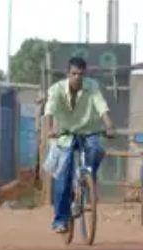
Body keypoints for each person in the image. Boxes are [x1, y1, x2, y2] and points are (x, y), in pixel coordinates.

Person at [44, 56, 115, 234]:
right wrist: (51, 129)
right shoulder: (56, 90)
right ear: (68, 74)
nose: (77, 77)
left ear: (85, 74)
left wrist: (109, 125)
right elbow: (49, 111)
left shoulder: (92, 87)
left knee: (97, 149)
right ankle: (60, 220)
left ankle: (86, 179)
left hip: (88, 131)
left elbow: (102, 106)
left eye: (80, 74)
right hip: (65, 134)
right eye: (74, 73)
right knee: (63, 174)